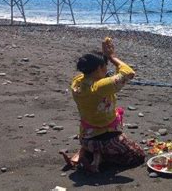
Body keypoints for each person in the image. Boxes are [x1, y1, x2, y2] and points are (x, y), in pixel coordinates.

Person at [60, 37, 145, 173]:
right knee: (138, 155)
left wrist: (100, 58)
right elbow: (129, 72)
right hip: (105, 138)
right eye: (105, 66)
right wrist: (112, 57)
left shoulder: (77, 82)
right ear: (99, 68)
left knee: (93, 139)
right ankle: (102, 158)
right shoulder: (100, 87)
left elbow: (99, 76)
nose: (107, 69)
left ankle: (86, 155)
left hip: (86, 136)